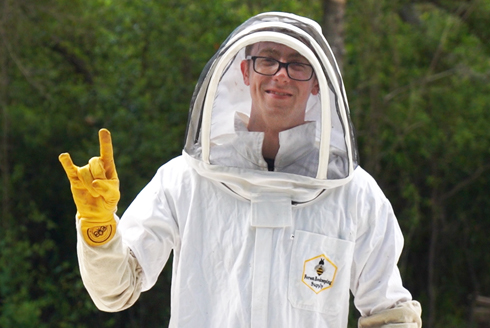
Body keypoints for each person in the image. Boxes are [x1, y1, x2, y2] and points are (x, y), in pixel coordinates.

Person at [60, 12, 422, 328]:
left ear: (316, 82)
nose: (280, 75)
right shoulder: (185, 181)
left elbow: (390, 313)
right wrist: (99, 231)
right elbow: (115, 292)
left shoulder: (354, 194)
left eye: (297, 64)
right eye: (268, 60)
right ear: (245, 69)